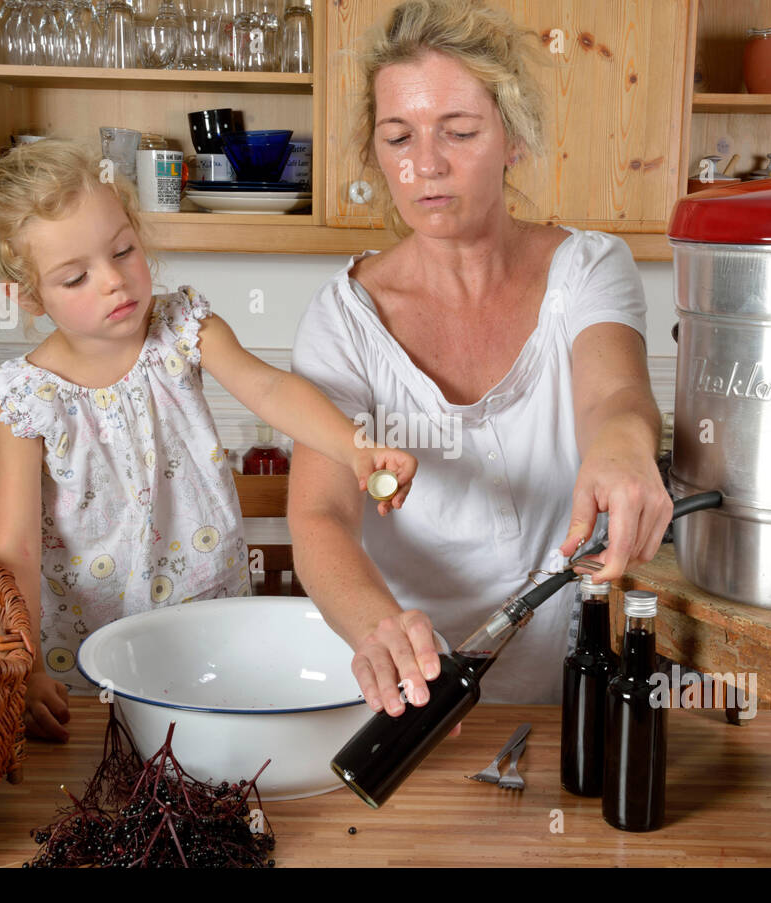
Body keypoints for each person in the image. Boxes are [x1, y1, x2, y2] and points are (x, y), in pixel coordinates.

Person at [288, 0, 672, 719]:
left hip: (580, 682)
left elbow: (612, 396)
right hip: (412, 699)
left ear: (513, 139)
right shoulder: (342, 319)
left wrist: (623, 446)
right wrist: (382, 627)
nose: (426, 164)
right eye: (398, 137)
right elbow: (320, 516)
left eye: (458, 131)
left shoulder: (588, 268)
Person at [0, 138, 416, 741]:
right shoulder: (26, 398)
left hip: (208, 616)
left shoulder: (183, 327)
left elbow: (271, 389)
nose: (113, 283)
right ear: (27, 295)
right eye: (75, 277)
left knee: (211, 748)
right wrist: (18, 663)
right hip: (85, 647)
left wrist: (353, 447)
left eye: (123, 250)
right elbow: (14, 549)